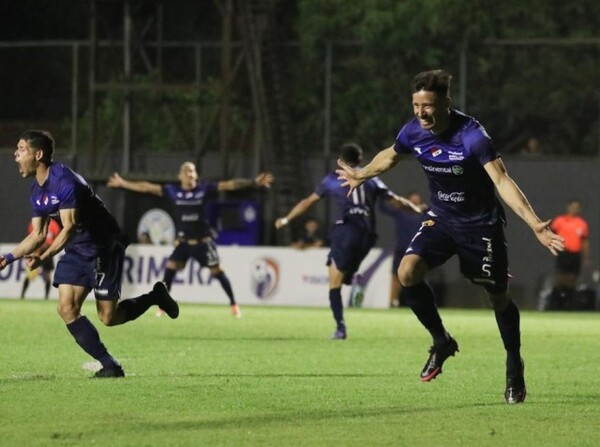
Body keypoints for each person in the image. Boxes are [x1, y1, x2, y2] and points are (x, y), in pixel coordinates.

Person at [336, 70, 564, 404]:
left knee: (497, 297)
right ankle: (441, 340)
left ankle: (514, 363)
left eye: (427, 106)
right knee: (407, 271)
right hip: (442, 219)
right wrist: (362, 173)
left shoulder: (472, 135)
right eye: (416, 105)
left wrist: (533, 224)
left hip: (480, 225)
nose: (420, 113)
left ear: (445, 103)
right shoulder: (414, 132)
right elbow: (391, 155)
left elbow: (501, 181)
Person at [0, 130, 179, 378]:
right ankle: (110, 366)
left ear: (38, 154)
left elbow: (69, 227)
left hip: (104, 246)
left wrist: (44, 256)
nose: (15, 155)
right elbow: (38, 235)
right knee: (66, 308)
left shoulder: (65, 182)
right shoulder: (36, 190)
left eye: (21, 149)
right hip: (76, 248)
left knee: (109, 317)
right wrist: (8, 258)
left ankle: (154, 296)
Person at [275, 143, 421, 340]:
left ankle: (340, 328)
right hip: (368, 235)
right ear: (361, 159)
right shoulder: (372, 177)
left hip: (347, 229)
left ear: (342, 161)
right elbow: (396, 201)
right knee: (345, 273)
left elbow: (308, 202)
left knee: (334, 281)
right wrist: (417, 209)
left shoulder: (333, 178)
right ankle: (352, 276)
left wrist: (286, 219)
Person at [107, 162, 274, 318]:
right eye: (187, 172)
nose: (191, 174)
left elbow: (229, 185)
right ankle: (163, 305)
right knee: (170, 270)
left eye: (193, 171)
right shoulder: (172, 192)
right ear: (180, 176)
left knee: (217, 272)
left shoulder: (204, 189)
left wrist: (253, 182)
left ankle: (234, 304)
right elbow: (147, 187)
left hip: (203, 242)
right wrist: (124, 184)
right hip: (184, 243)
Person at [380, 191, 427, 307]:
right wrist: (381, 193)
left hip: (416, 251)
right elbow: (382, 208)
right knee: (395, 276)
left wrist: (426, 209)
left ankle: (418, 303)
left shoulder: (423, 214)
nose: (415, 202)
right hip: (401, 249)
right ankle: (393, 301)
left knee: (416, 277)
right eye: (412, 200)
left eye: (417, 200)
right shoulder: (401, 212)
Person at [546, 198, 590, 309]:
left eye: (577, 207)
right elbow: (551, 234)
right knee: (560, 279)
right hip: (563, 253)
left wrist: (586, 257)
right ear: (568, 207)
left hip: (575, 255)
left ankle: (569, 305)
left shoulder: (582, 224)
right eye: (573, 206)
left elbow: (584, 241)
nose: (575, 209)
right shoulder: (560, 221)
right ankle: (554, 305)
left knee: (572, 279)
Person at [20, 218, 62, 300]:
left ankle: (46, 297)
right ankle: (22, 296)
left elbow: (57, 239)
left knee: (47, 276)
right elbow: (31, 237)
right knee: (29, 274)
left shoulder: (54, 225)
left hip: (47, 253)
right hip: (35, 252)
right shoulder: (36, 221)